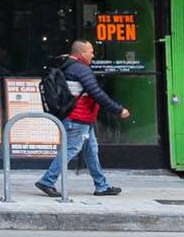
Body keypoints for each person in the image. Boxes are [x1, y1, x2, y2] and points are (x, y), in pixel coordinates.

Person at [38, 39, 128, 198]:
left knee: (91, 151)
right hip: (78, 118)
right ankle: (47, 181)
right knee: (70, 149)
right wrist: (118, 109)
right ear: (81, 53)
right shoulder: (81, 69)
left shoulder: (67, 66)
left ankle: (101, 186)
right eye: (91, 52)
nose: (93, 55)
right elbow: (96, 93)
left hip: (80, 118)